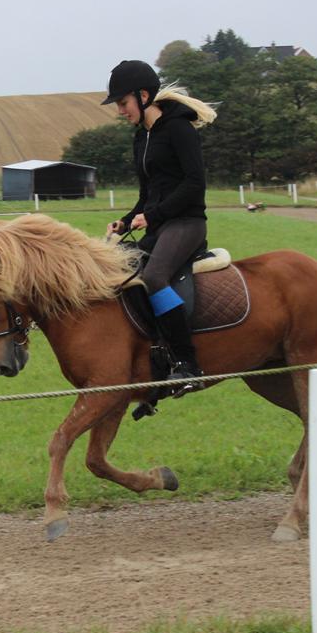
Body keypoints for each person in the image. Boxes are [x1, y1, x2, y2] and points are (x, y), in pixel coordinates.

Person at [102, 59, 217, 395]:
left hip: (187, 224)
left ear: (142, 95)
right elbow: (147, 196)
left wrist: (153, 216)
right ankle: (153, 357)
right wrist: (126, 221)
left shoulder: (179, 129)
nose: (121, 111)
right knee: (118, 269)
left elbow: (195, 185)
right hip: (161, 225)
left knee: (153, 277)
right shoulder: (143, 138)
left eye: (122, 103)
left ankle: (188, 364)